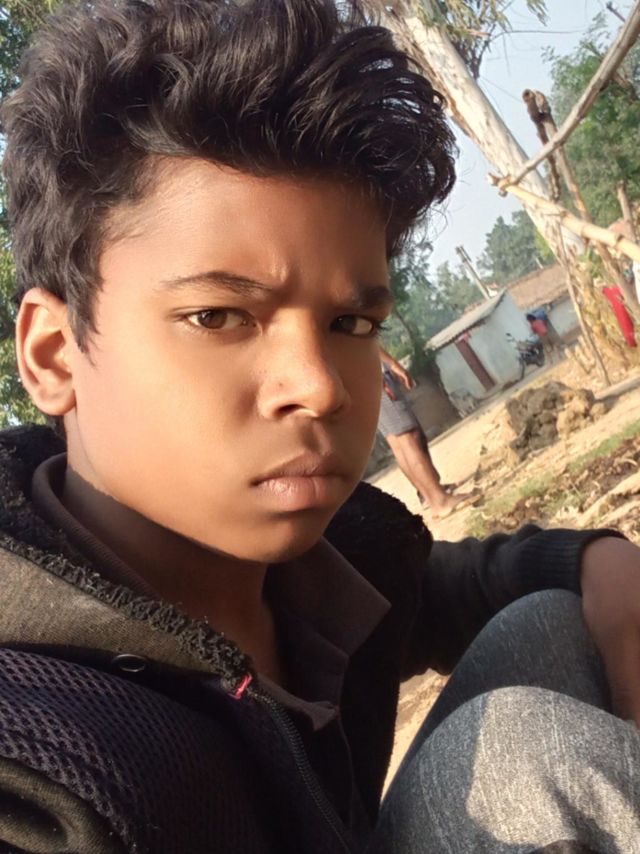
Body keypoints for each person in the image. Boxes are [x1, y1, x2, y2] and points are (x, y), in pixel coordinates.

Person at [1, 2, 640, 852]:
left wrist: (600, 561)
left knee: (549, 621)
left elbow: (447, 587)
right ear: (53, 355)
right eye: (218, 316)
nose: (320, 387)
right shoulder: (43, 765)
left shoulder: (320, 571)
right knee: (528, 761)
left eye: (350, 324)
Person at [377, 347, 472, 518]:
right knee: (407, 437)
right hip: (372, 376)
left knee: (399, 441)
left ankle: (429, 495)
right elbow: (361, 337)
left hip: (360, 381)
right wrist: (392, 363)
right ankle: (440, 501)